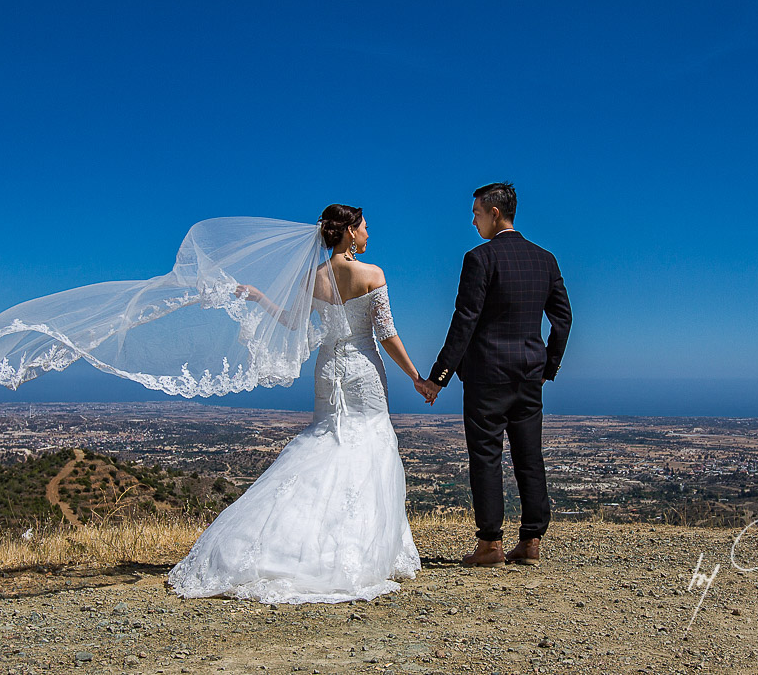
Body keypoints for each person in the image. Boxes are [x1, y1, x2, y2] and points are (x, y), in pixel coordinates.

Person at [166, 204, 428, 602]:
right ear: (349, 233)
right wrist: (415, 376)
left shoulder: (314, 278)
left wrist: (259, 297)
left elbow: (291, 321)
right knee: (370, 443)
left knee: (326, 441)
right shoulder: (372, 274)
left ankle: (287, 539)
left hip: (327, 371)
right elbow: (387, 334)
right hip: (362, 371)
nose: (368, 234)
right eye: (365, 228)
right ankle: (359, 547)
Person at [419, 183, 572, 567]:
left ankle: (490, 545)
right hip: (529, 376)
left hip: (487, 375)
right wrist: (547, 367)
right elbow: (563, 319)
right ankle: (532, 541)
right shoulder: (546, 259)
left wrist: (439, 376)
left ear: (494, 213)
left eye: (476, 213)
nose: (472, 220)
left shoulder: (479, 258)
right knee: (529, 456)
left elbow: (465, 320)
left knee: (486, 457)